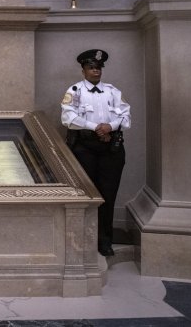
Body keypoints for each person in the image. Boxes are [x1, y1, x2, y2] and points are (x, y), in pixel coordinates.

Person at [60, 49, 130, 257]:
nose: (95, 71)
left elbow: (126, 117)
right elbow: (68, 119)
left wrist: (110, 126)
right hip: (85, 149)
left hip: (111, 149)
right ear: (83, 70)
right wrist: (95, 127)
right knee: (87, 195)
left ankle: (104, 241)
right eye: (91, 68)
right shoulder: (74, 91)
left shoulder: (113, 92)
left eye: (98, 68)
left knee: (108, 195)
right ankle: (82, 241)